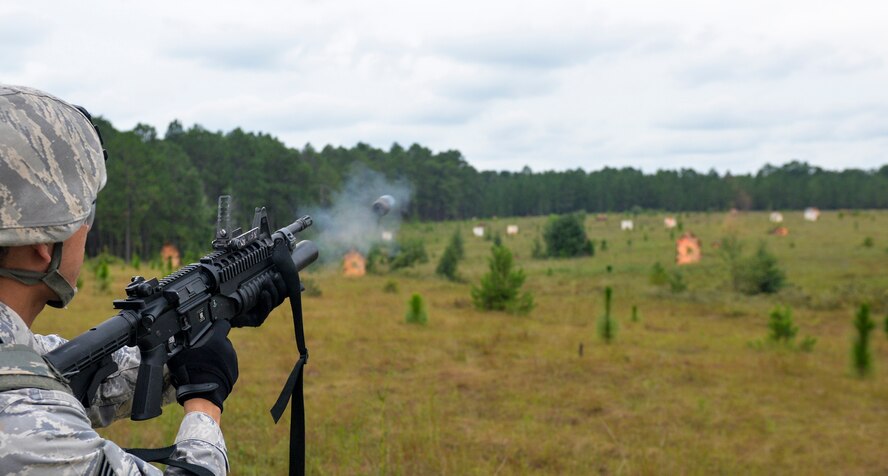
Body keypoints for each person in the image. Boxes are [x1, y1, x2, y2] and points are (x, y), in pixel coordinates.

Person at [0, 84, 237, 475]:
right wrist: (204, 407)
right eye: (84, 213)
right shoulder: (31, 434)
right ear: (45, 243)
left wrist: (182, 350)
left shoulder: (19, 356)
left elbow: (68, 374)